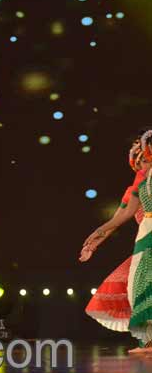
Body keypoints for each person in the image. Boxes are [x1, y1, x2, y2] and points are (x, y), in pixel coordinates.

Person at [81, 131, 152, 353]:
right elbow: (121, 217)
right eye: (138, 160)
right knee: (136, 287)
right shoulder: (137, 188)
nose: (141, 163)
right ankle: (148, 339)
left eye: (145, 158)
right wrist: (97, 234)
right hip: (144, 235)